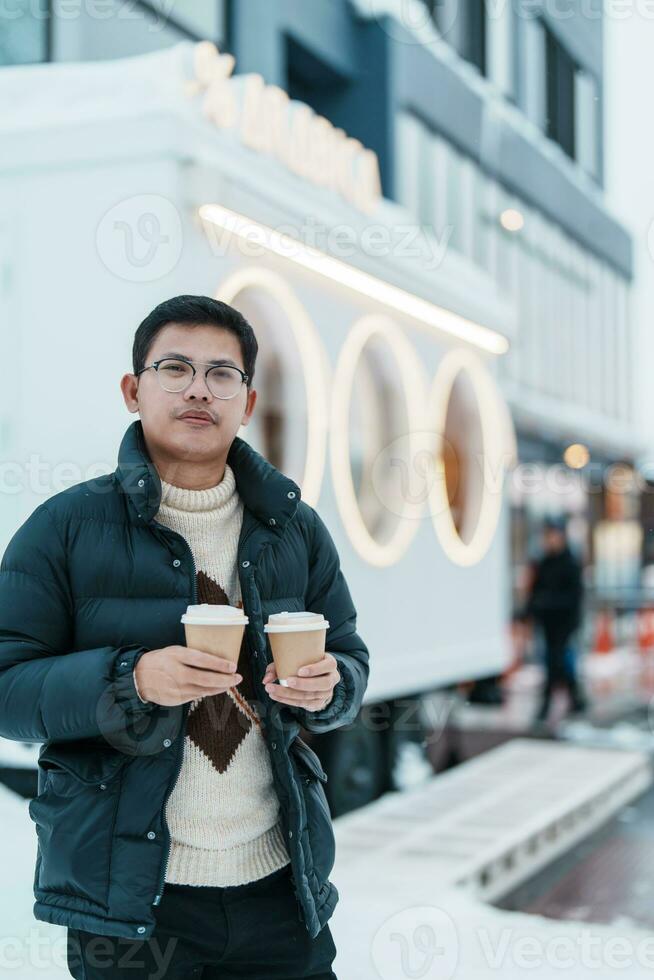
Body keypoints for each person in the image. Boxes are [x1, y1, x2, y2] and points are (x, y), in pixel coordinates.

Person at [0, 295, 370, 979]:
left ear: (248, 402)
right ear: (133, 390)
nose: (200, 388)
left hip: (281, 894)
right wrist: (130, 680)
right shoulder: (64, 528)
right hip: (131, 906)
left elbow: (350, 658)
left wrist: (334, 685)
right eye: (175, 367)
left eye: (222, 373)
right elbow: (7, 689)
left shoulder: (296, 528)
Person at [522, 515, 588, 724]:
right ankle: (576, 699)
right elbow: (535, 593)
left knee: (556, 663)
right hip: (548, 624)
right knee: (556, 663)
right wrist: (529, 612)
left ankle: (548, 705)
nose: (550, 540)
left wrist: (547, 604)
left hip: (564, 625)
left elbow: (573, 597)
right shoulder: (544, 563)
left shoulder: (570, 563)